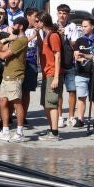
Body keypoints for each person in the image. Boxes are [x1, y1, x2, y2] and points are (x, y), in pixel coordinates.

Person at [0, 17, 29, 142]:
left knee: (17, 103)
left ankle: (20, 133)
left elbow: (3, 55)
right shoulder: (15, 40)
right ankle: (5, 132)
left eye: (14, 24)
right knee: (3, 102)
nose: (12, 26)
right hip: (7, 75)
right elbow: (2, 48)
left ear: (20, 26)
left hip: (15, 76)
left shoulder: (21, 40)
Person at [38, 13, 63, 141]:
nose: (36, 23)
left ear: (43, 22)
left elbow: (57, 56)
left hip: (53, 73)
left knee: (52, 103)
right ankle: (52, 129)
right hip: (47, 73)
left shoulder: (53, 36)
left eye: (38, 21)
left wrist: (56, 77)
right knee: (46, 103)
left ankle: (54, 133)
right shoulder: (47, 35)